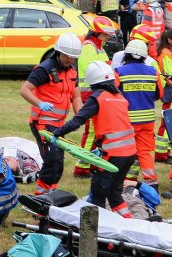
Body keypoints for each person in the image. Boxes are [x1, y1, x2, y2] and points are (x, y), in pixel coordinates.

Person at [52, 61, 136, 218]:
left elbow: (78, 120)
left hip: (113, 155)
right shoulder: (119, 97)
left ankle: (96, 231)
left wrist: (58, 133)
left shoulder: (97, 98)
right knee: (114, 193)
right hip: (130, 153)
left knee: (98, 193)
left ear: (92, 82)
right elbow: (114, 124)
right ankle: (130, 223)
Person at [20, 33, 82, 195]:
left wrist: (81, 115)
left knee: (58, 163)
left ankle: (51, 194)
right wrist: (40, 103)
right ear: (59, 52)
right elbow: (25, 90)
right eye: (68, 56)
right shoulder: (44, 69)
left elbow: (75, 96)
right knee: (52, 161)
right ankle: (40, 198)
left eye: (73, 57)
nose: (70, 60)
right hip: (42, 122)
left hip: (59, 124)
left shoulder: (72, 71)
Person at [114, 39, 163, 193]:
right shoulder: (153, 72)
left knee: (124, 152)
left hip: (127, 120)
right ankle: (152, 183)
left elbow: (113, 95)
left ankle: (122, 182)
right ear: (144, 56)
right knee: (144, 152)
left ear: (126, 54)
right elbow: (159, 94)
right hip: (147, 120)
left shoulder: (119, 72)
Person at [75, 16, 115, 178]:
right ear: (97, 33)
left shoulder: (98, 47)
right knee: (91, 131)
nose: (108, 37)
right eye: (106, 34)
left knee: (98, 130)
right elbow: (95, 69)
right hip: (89, 93)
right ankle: (81, 167)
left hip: (97, 92)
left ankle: (91, 163)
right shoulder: (88, 47)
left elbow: (107, 66)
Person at [155, 29, 172, 163]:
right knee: (168, 123)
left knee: (169, 123)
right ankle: (161, 154)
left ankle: (163, 152)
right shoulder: (166, 54)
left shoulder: (170, 53)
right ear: (169, 40)